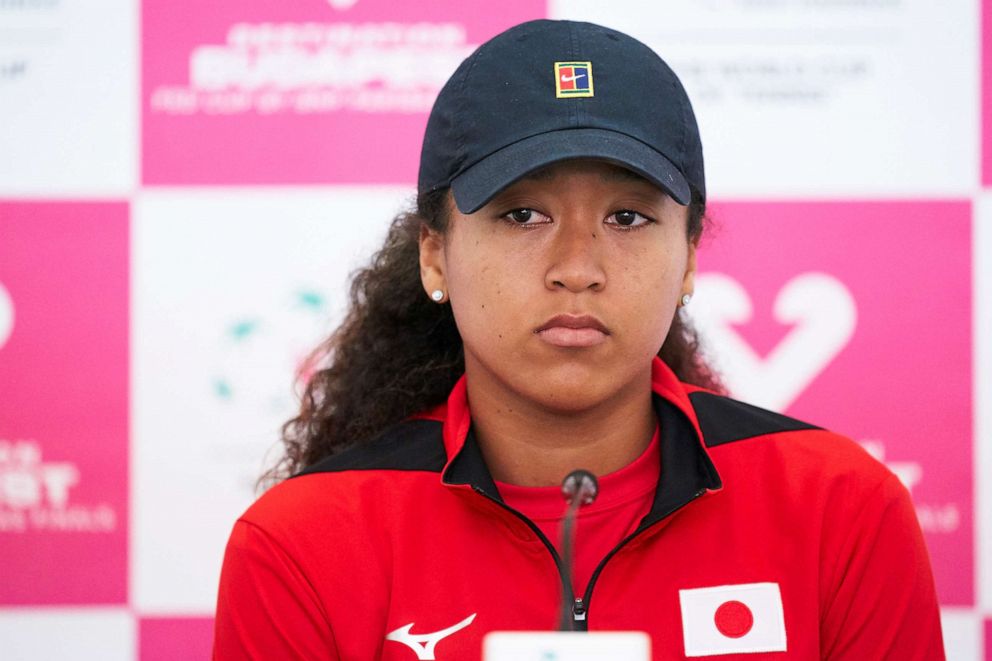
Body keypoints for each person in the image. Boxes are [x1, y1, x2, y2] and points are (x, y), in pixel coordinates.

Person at [213, 19, 944, 660]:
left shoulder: (840, 509)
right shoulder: (303, 543)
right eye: (523, 215)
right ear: (435, 254)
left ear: (689, 257)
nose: (577, 268)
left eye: (627, 218)